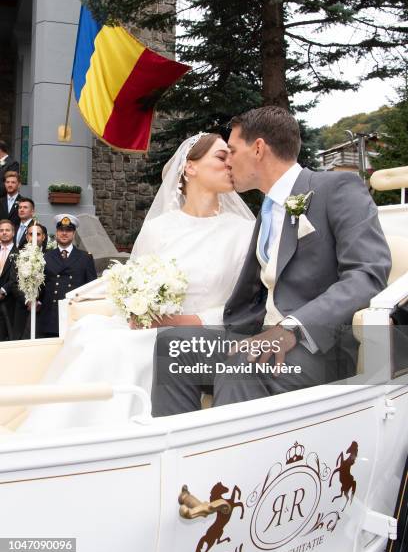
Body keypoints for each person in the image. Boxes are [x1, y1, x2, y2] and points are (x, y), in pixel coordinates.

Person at [151, 105, 392, 416]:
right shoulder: (266, 210)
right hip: (257, 336)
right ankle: (180, 452)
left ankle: (224, 462)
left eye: (233, 151)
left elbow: (367, 274)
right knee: (175, 347)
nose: (229, 162)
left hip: (316, 348)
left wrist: (291, 328)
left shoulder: (336, 189)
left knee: (243, 363)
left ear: (259, 149)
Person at [19, 133, 255, 431]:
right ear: (190, 168)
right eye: (221, 157)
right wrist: (136, 307)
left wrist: (182, 321)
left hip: (202, 335)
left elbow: (247, 306)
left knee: (125, 353)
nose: (230, 164)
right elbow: (133, 281)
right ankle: (61, 441)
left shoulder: (244, 231)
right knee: (94, 337)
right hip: (148, 326)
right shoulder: (159, 228)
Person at [37, 215, 97, 338]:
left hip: (75, 315)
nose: (64, 233)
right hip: (50, 316)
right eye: (61, 230)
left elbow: (91, 289)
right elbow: (39, 287)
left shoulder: (85, 258)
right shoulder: (45, 257)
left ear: (74, 233)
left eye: (68, 230)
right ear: (56, 232)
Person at [12, 224, 48, 340]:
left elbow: (51, 282)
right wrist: (27, 300)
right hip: (23, 309)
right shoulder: (20, 256)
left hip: (43, 310)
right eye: (31, 234)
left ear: (43, 237)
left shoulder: (50, 256)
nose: (34, 237)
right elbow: (14, 282)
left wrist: (40, 302)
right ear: (27, 237)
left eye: (38, 234)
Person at [0, 219, 18, 340]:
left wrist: (3, 290)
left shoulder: (20, 253)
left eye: (7, 230)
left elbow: (16, 277)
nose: (4, 233)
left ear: (13, 233)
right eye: (1, 230)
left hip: (9, 301)